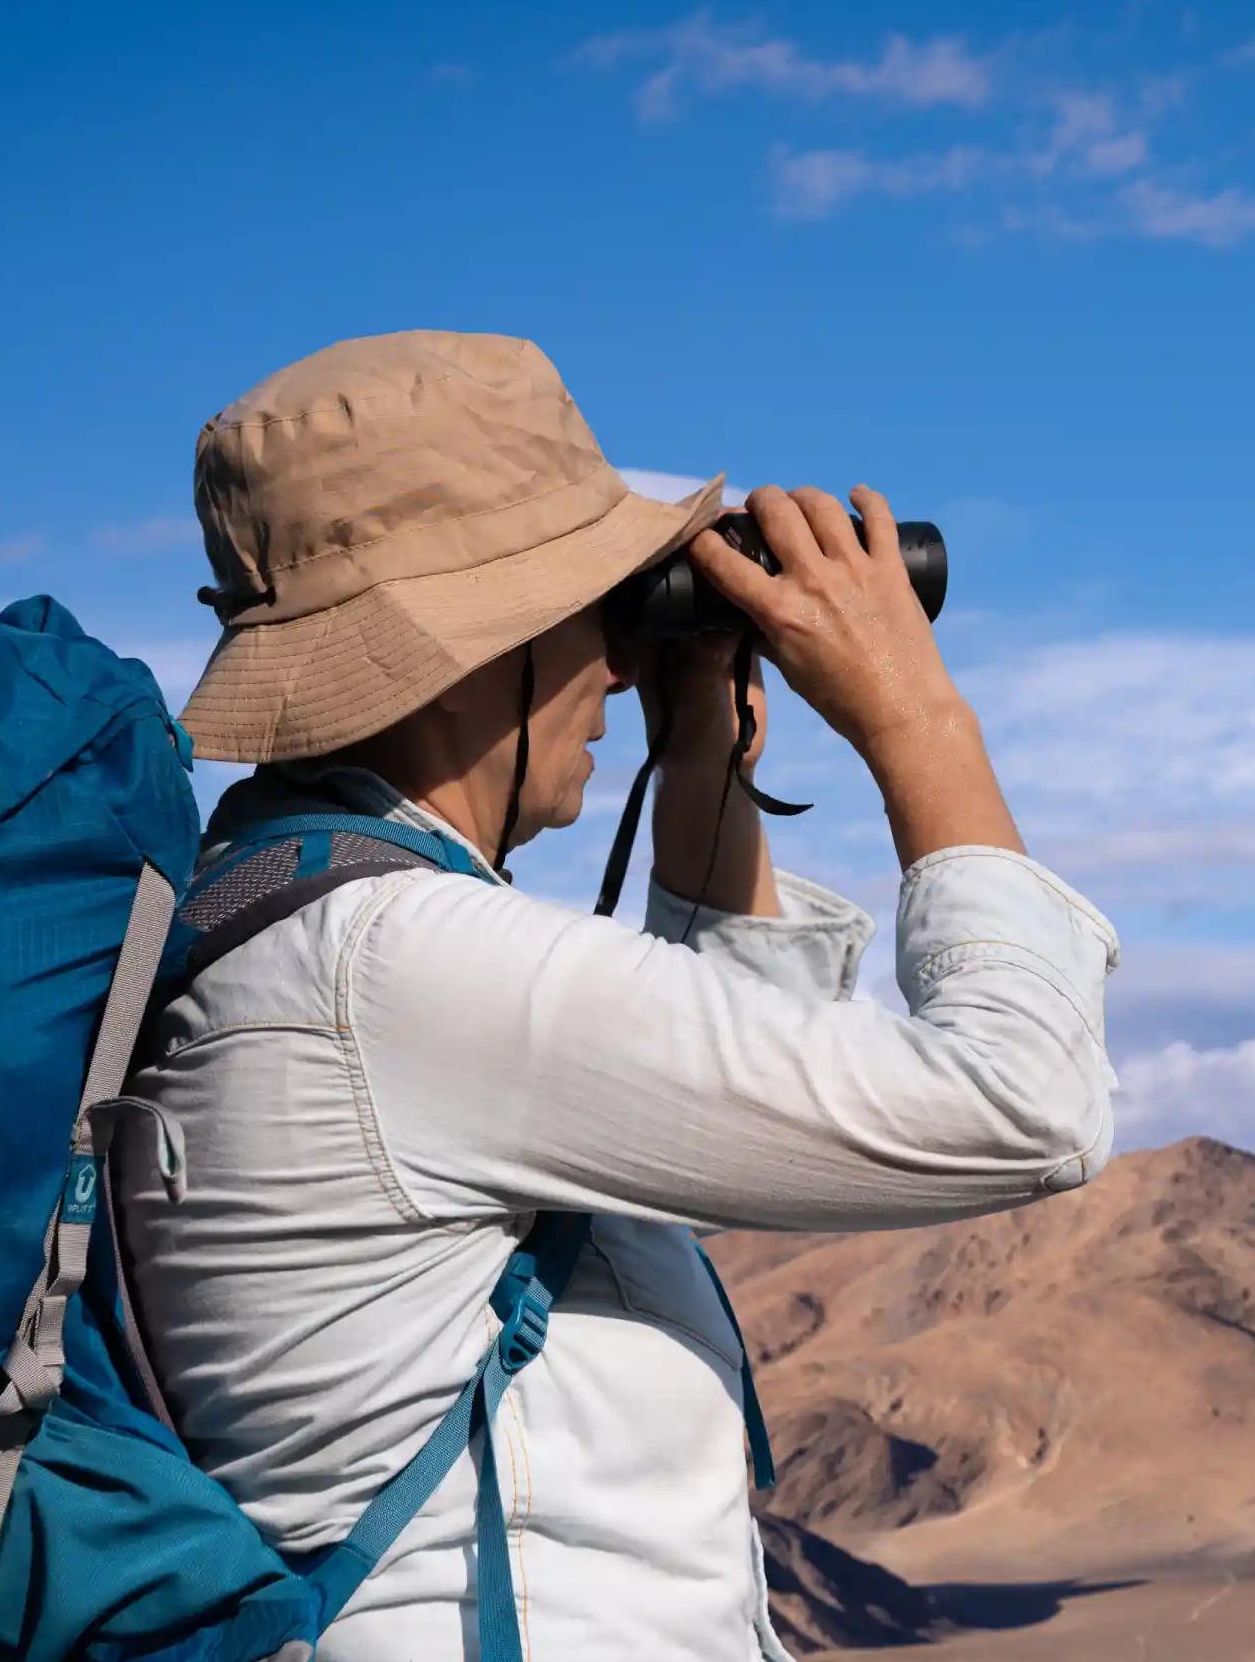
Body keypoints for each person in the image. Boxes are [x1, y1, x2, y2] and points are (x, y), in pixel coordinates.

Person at [119, 330, 1121, 1661]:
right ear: (478, 642)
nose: (619, 659)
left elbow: (709, 1139)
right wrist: (913, 713)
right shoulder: (401, 961)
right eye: (589, 608)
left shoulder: (272, 915)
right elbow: (1025, 1106)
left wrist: (702, 749)